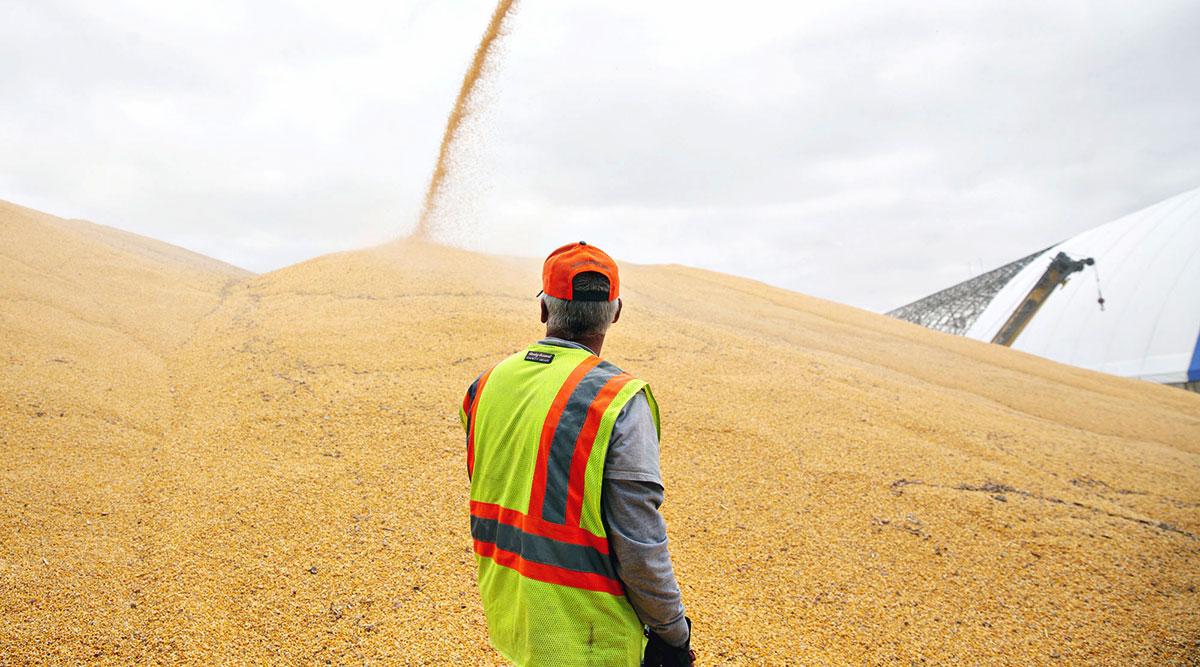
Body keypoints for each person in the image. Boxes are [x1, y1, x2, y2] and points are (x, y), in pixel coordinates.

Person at [461, 242, 695, 667]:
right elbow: (640, 541)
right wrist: (673, 633)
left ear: (544, 309)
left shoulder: (485, 385)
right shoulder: (617, 400)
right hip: (591, 638)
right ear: (616, 312)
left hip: (511, 614)